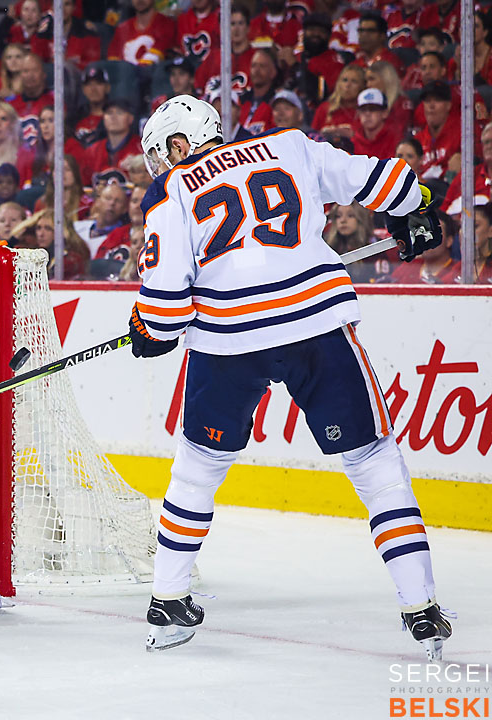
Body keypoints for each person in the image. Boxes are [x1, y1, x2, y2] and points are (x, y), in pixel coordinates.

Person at [132, 95, 451, 659]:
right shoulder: (289, 144)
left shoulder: (173, 190)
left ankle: (167, 599)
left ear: (181, 145)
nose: (162, 165)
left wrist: (146, 330)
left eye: (164, 153)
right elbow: (389, 183)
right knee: (374, 464)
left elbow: (166, 307)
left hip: (229, 340)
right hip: (316, 328)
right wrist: (417, 206)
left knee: (197, 470)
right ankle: (420, 606)